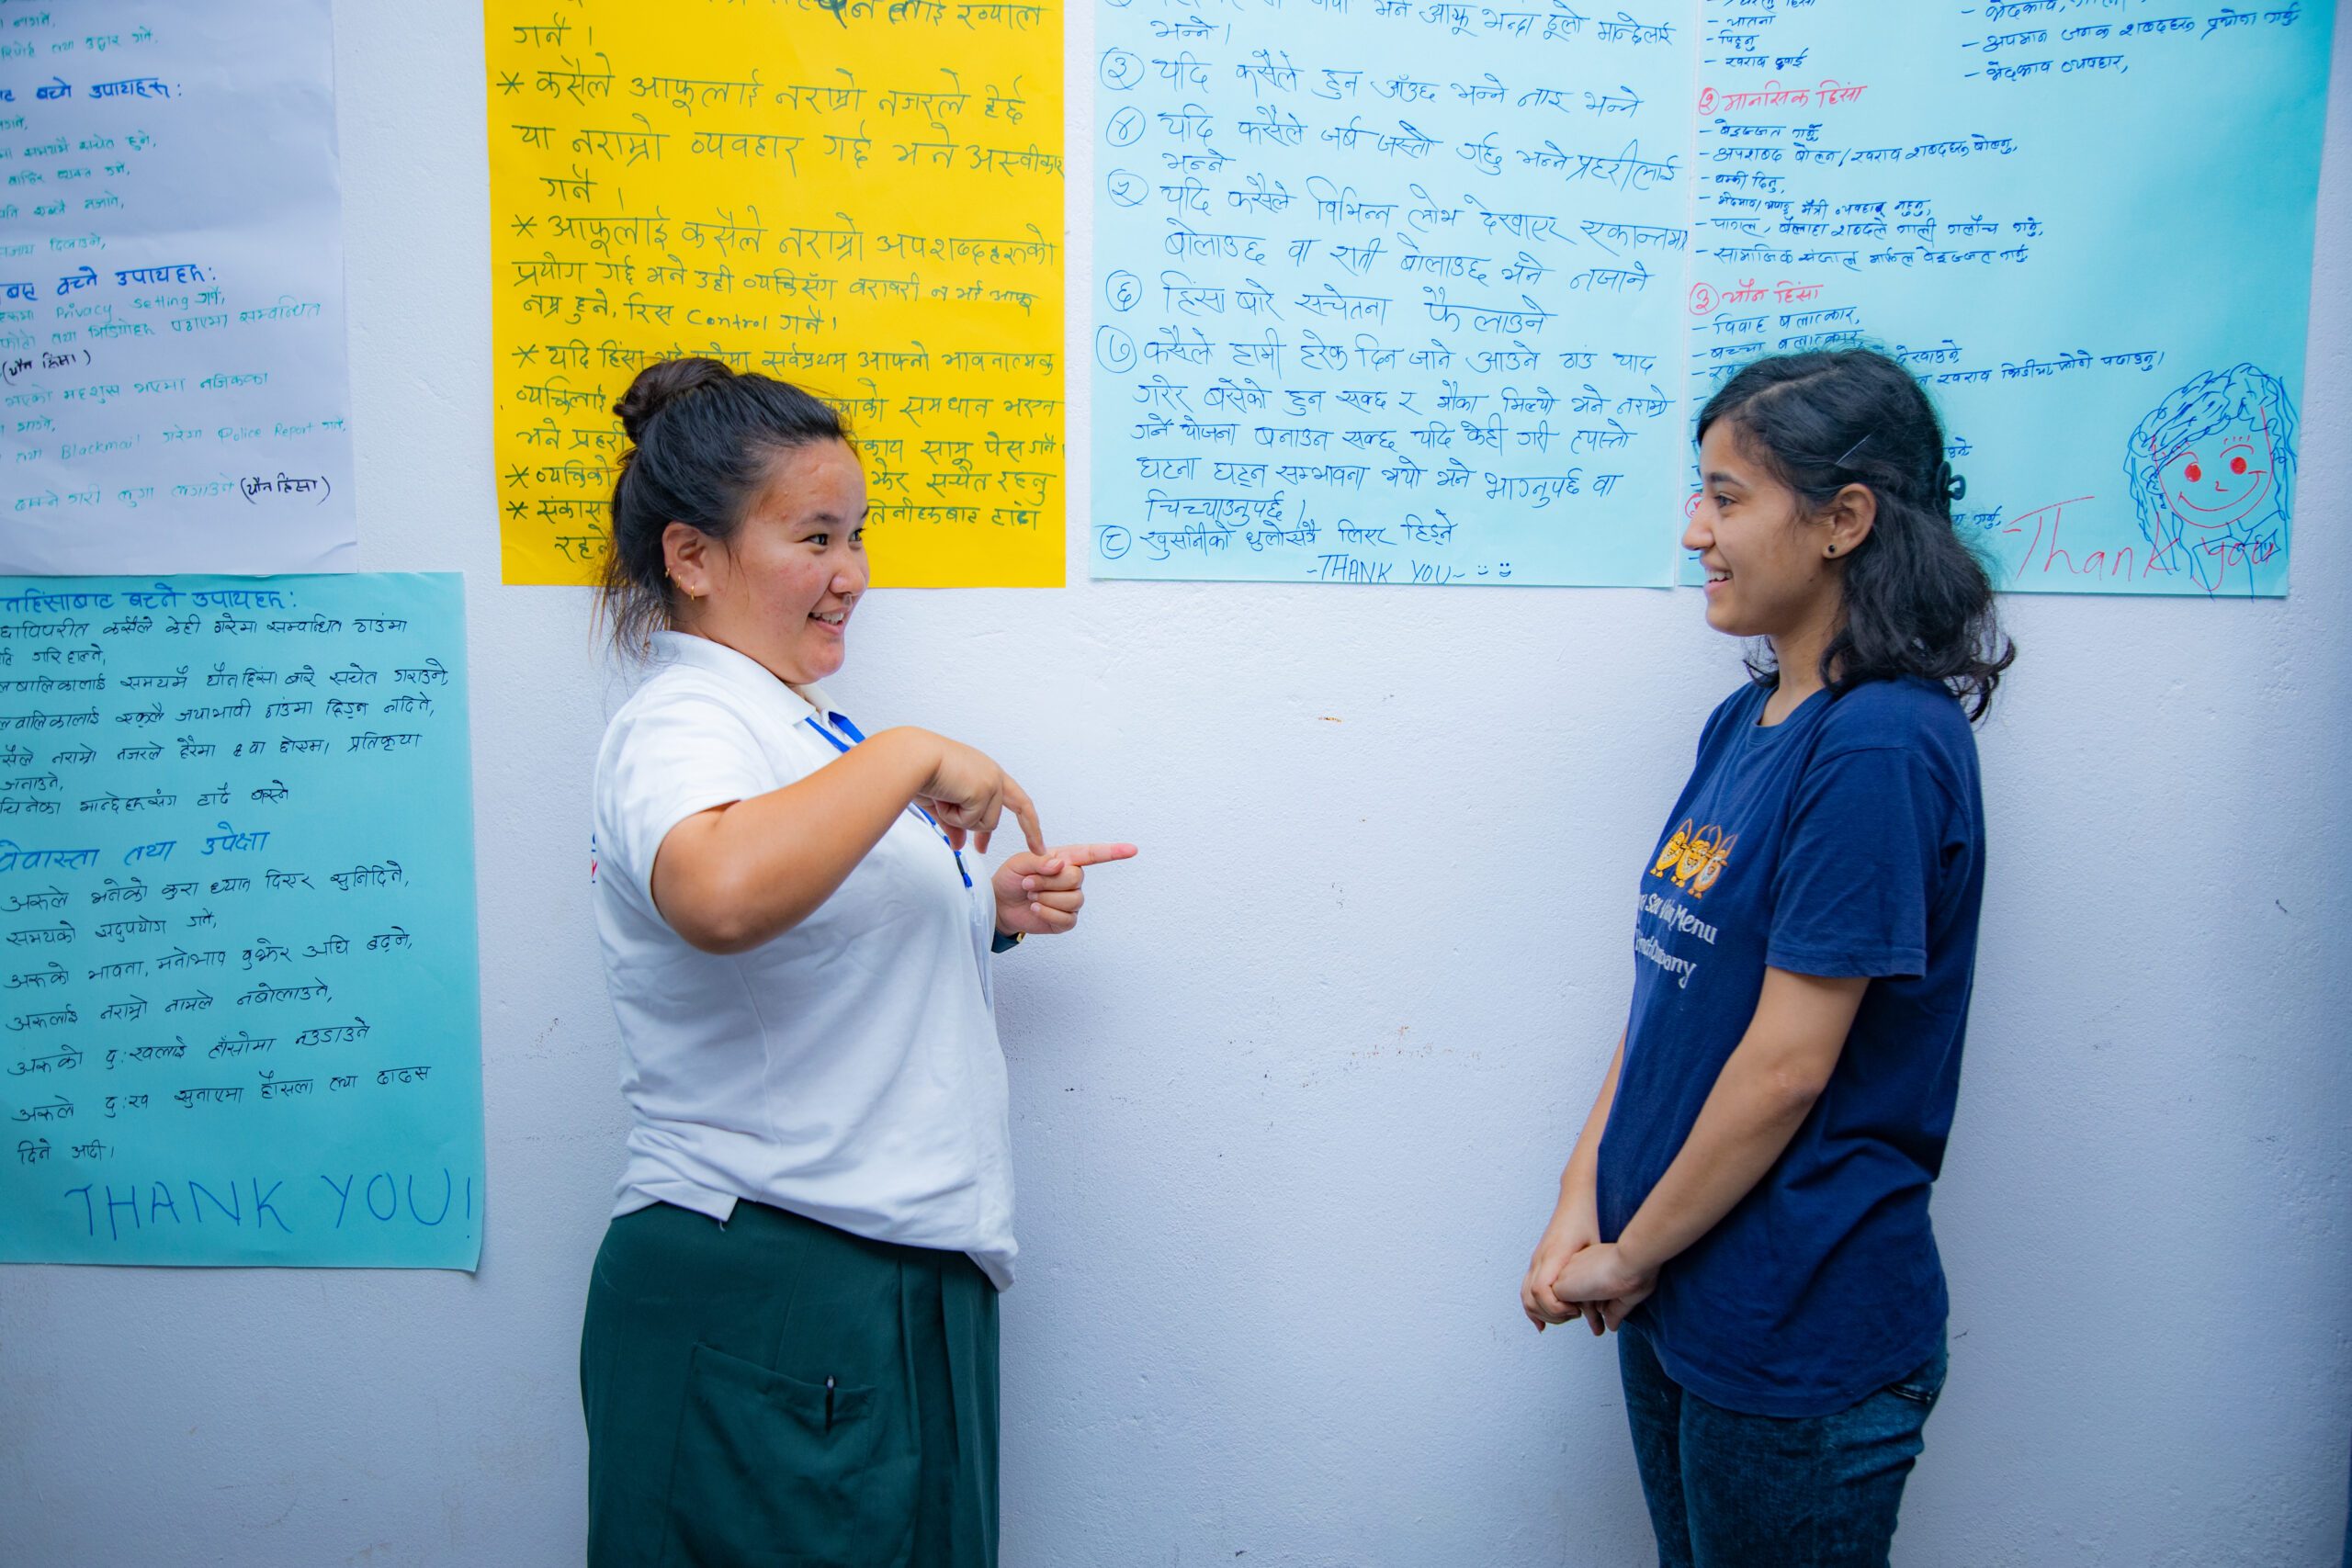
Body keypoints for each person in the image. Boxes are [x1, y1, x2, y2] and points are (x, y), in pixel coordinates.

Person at [578, 357, 1134, 1567]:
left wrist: (982, 910)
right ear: (693, 557)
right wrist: (909, 756)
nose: (854, 576)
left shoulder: (794, 724)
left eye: (859, 536)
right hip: (773, 1280)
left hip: (883, 1280)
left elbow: (807, 948)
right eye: (817, 537)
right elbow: (718, 894)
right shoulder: (686, 722)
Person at [1520, 348, 2014, 1567]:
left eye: (1728, 496)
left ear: (1845, 520)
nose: (1695, 530)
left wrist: (1630, 1251)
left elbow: (1789, 1067)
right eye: (1702, 494)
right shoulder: (1746, 720)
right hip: (1676, 1292)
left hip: (1796, 1331)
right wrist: (1585, 1204)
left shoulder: (1881, 747)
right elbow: (1667, 1000)